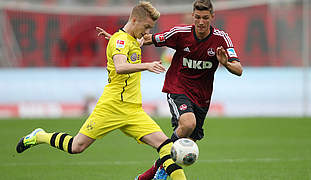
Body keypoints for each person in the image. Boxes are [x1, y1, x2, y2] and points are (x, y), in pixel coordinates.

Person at [15, 2, 187, 180]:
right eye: (146, 27)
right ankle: (40, 136)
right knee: (76, 146)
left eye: (150, 28)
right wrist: (147, 65)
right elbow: (120, 66)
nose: (147, 32)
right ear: (134, 20)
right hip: (111, 107)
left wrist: (115, 38)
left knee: (167, 146)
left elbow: (128, 40)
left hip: (133, 110)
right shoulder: (120, 41)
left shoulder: (129, 38)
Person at [97, 0, 243, 179]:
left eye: (205, 18)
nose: (201, 22)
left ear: (212, 17)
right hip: (178, 88)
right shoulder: (180, 33)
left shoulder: (221, 38)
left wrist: (226, 63)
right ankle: (162, 173)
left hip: (202, 98)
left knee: (186, 144)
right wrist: (116, 39)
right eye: (197, 17)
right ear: (192, 16)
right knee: (188, 123)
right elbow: (147, 38)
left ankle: (147, 176)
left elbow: (239, 70)